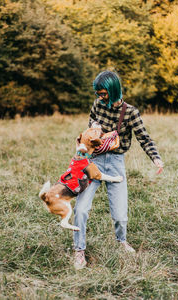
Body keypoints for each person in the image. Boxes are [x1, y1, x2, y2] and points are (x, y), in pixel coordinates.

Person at [73, 70, 164, 270]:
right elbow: (90, 123)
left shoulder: (130, 112)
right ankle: (79, 250)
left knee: (121, 214)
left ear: (113, 91)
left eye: (103, 93)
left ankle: (121, 241)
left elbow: (144, 138)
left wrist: (156, 158)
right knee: (81, 208)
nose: (99, 97)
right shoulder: (97, 104)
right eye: (97, 93)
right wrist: (94, 129)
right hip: (93, 160)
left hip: (115, 163)